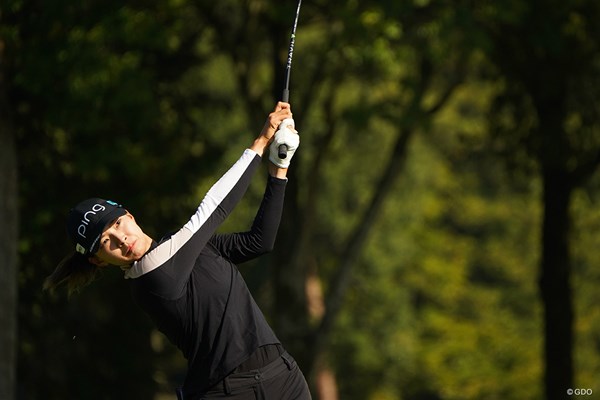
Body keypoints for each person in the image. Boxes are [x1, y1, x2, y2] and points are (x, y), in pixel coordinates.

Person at [44, 102, 311, 400]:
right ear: (99, 261)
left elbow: (259, 241)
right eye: (107, 241)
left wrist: (279, 168)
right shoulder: (151, 279)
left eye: (118, 223)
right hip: (228, 393)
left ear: (130, 216)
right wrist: (261, 142)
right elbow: (214, 207)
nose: (122, 238)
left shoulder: (184, 246)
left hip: (282, 376)